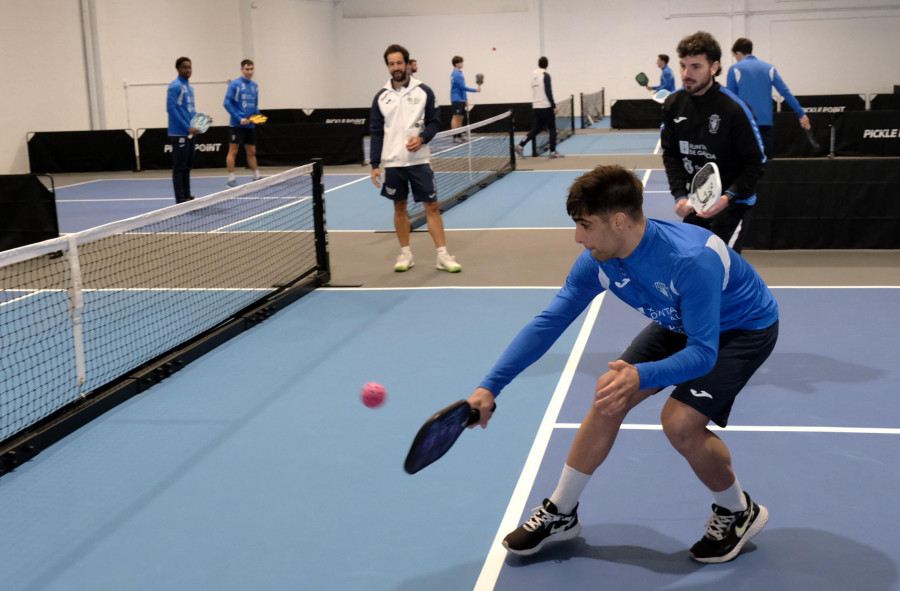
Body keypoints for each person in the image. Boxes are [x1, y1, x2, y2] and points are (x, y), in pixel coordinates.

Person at [466, 164, 779, 564]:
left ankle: (738, 511)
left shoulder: (691, 259)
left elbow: (703, 353)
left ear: (618, 221)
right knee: (608, 395)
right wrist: (490, 386)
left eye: (584, 224)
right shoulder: (598, 260)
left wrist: (641, 374)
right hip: (677, 317)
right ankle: (561, 512)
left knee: (680, 422)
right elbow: (549, 323)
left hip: (741, 329)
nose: (577, 237)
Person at [660, 31, 767, 253]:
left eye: (696, 67)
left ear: (714, 67)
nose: (686, 73)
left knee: (720, 268)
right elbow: (671, 154)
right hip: (697, 202)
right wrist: (680, 194)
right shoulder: (673, 104)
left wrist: (727, 198)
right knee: (691, 265)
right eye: (683, 66)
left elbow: (756, 163)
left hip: (733, 205)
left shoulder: (734, 109)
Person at [369, 44, 461, 274]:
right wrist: (374, 164)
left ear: (407, 64)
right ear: (388, 66)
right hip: (393, 163)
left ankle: (442, 255)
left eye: (399, 63)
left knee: (433, 206)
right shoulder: (381, 97)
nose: (396, 67)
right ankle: (405, 253)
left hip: (419, 161)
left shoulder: (424, 91)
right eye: (391, 64)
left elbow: (434, 122)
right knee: (399, 207)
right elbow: (377, 131)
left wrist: (422, 139)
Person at [727, 37, 811, 158]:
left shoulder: (734, 69)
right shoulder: (769, 68)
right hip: (765, 124)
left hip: (744, 124)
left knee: (745, 165)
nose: (736, 59)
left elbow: (731, 99)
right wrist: (801, 114)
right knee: (766, 166)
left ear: (738, 53)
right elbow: (785, 92)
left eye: (735, 56)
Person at [167, 56, 208, 203]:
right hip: (178, 133)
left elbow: (190, 111)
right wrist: (187, 128)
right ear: (178, 69)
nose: (188, 70)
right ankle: (180, 199)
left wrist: (202, 121)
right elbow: (171, 109)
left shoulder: (190, 88)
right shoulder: (175, 86)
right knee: (179, 167)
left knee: (188, 166)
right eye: (184, 67)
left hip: (190, 133)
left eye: (189, 67)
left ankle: (187, 195)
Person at [515, 56, 564, 159]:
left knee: (537, 129)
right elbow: (548, 91)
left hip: (536, 107)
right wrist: (553, 106)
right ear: (547, 64)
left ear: (539, 64)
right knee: (552, 129)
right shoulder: (546, 76)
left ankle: (520, 145)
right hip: (546, 106)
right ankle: (553, 151)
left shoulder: (533, 77)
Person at [223, 59, 261, 188]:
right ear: (242, 69)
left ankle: (256, 176)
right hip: (237, 124)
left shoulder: (255, 86)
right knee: (233, 151)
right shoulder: (235, 85)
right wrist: (239, 118)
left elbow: (255, 105)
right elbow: (227, 103)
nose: (249, 71)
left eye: (251, 69)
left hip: (250, 125)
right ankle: (231, 179)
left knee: (252, 151)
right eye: (247, 69)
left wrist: (257, 116)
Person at [450, 55, 480, 142]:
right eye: (460, 62)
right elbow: (462, 87)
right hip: (456, 99)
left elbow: (462, 89)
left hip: (461, 99)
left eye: (462, 62)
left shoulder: (459, 73)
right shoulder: (456, 74)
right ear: (456, 64)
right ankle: (455, 137)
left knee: (461, 117)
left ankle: (459, 135)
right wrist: (475, 90)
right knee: (456, 117)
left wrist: (465, 99)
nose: (462, 63)